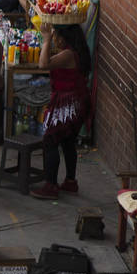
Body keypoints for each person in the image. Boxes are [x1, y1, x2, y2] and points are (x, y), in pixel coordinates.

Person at [30, 23, 92, 200]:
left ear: (64, 37)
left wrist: (46, 40)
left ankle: (51, 185)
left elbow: (43, 64)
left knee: (50, 140)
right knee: (67, 142)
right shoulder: (76, 52)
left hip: (68, 103)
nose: (55, 39)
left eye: (56, 36)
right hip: (77, 100)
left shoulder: (67, 54)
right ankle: (70, 181)